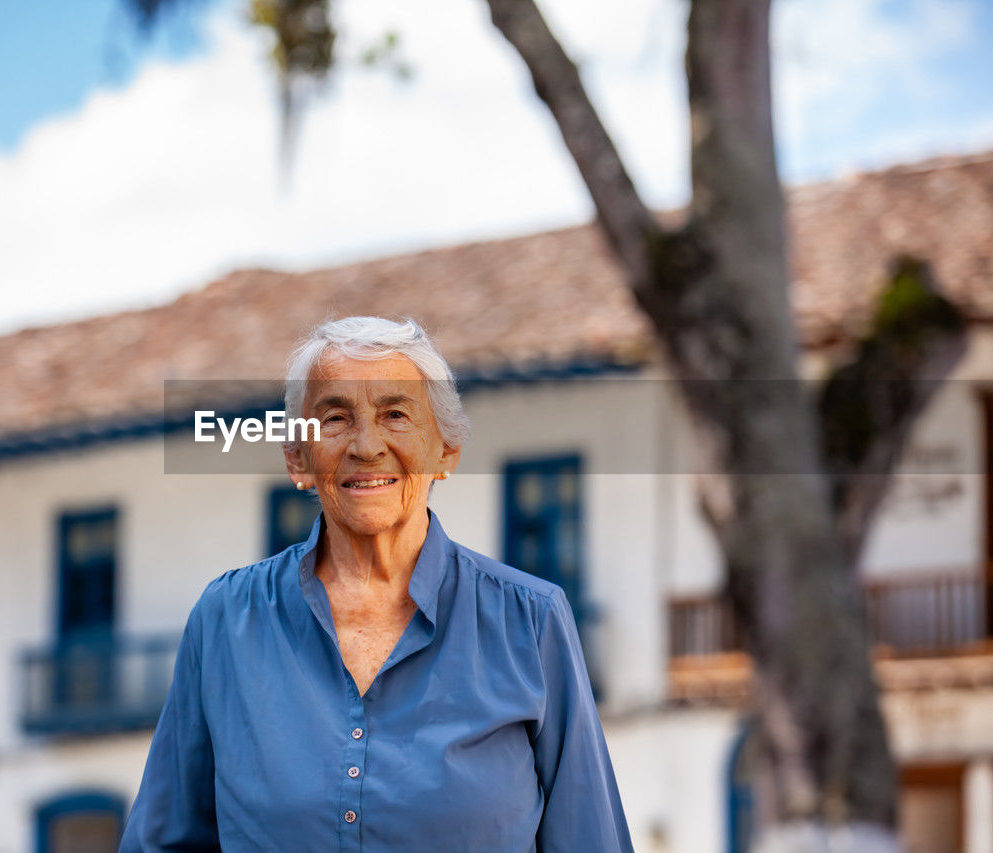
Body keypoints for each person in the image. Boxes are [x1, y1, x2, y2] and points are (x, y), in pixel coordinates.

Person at [119, 316, 632, 852]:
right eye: (335, 418)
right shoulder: (226, 620)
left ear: (446, 453)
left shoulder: (531, 620)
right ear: (297, 458)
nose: (367, 446)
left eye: (395, 414)